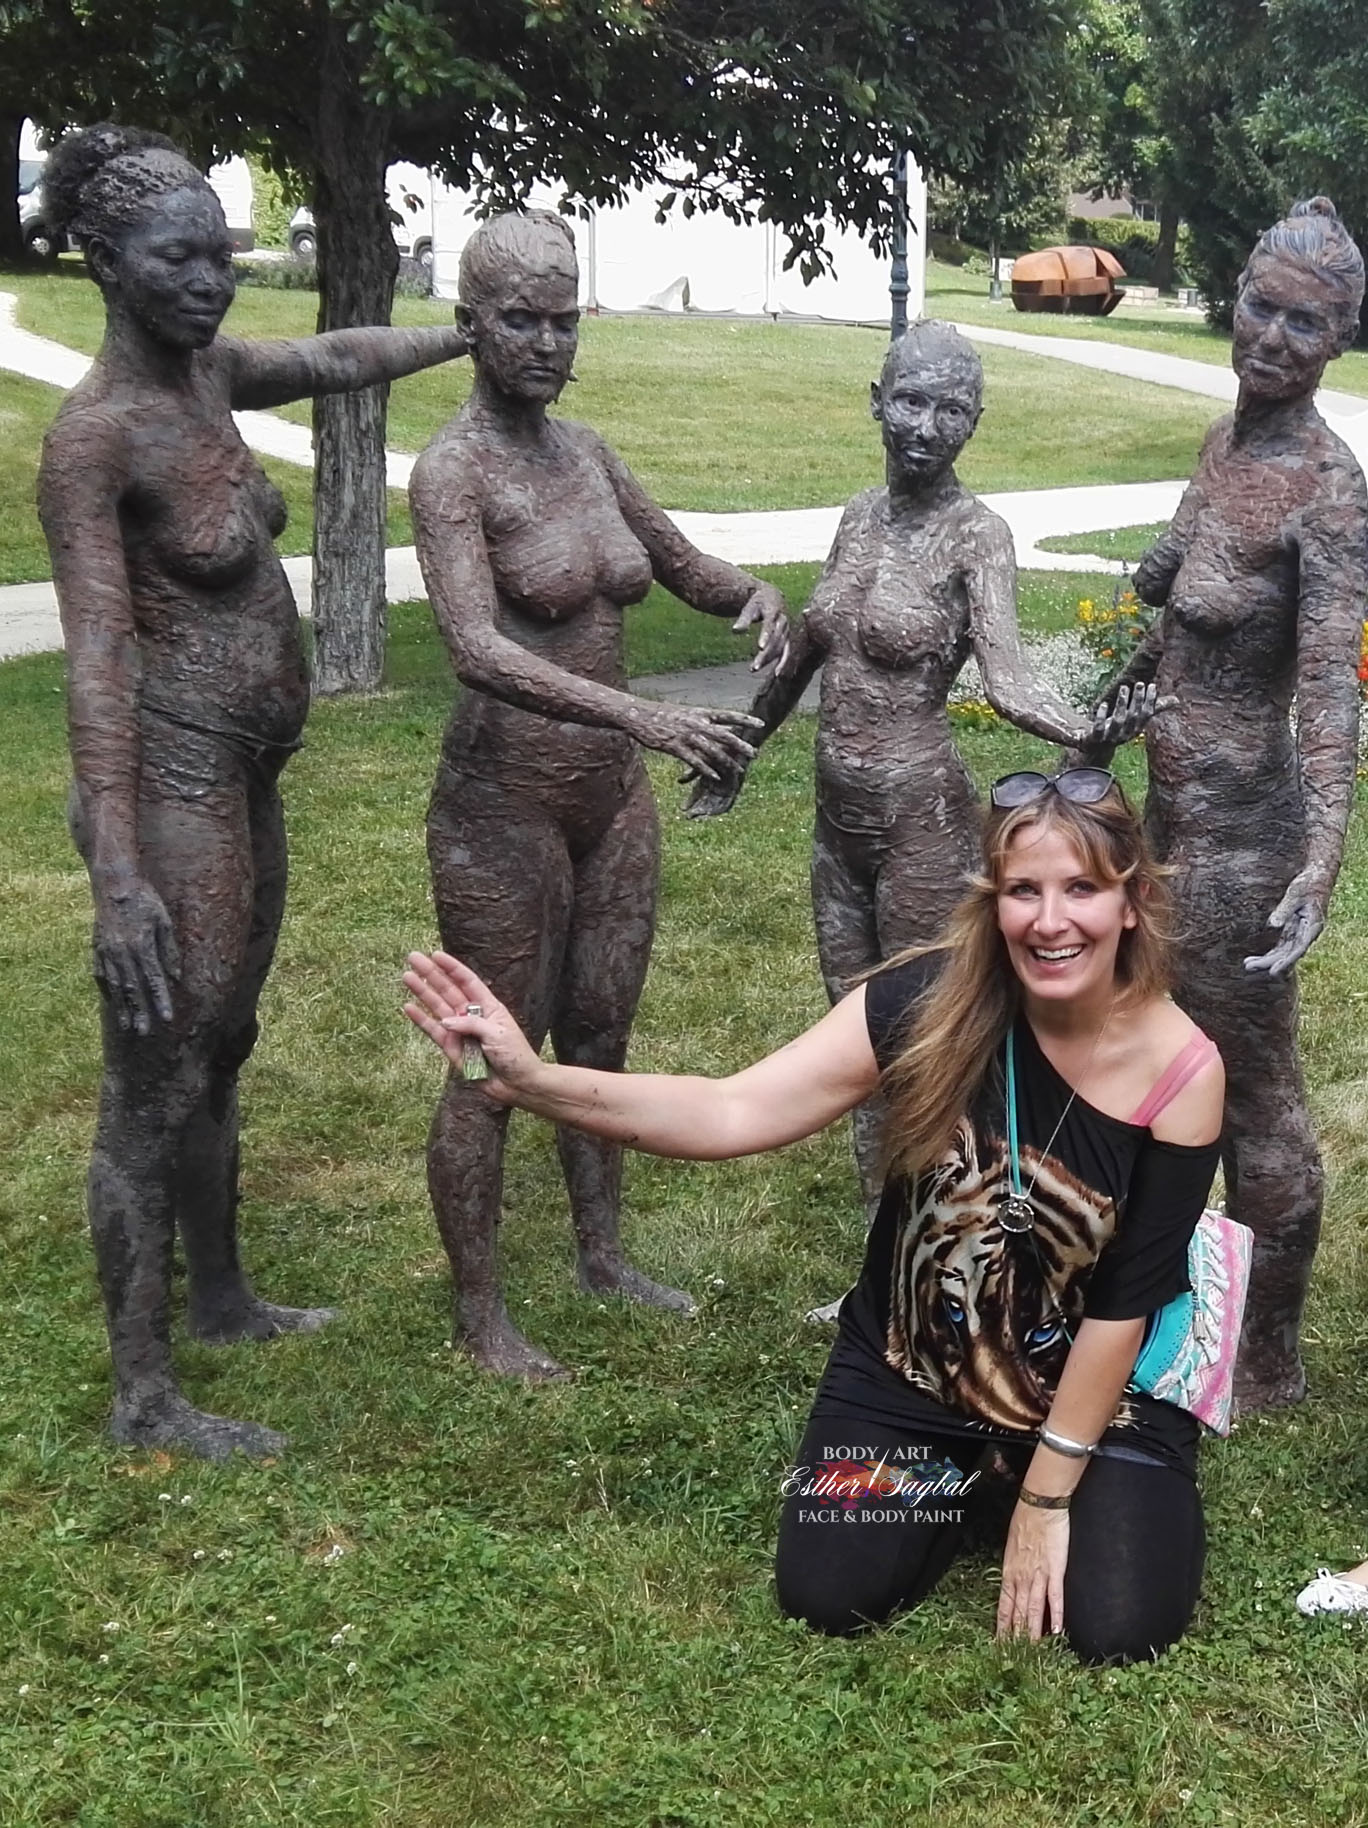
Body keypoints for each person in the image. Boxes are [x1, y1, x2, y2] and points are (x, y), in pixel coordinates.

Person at [405, 770, 1225, 1662]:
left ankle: (1023, 1467)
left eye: (1082, 890)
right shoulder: (923, 1003)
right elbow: (732, 1111)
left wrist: (1048, 1495)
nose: (1050, 921)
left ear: (1132, 904)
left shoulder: (1181, 1070)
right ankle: (973, 1464)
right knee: (829, 1593)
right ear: (994, 902)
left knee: (1118, 1629)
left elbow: (1125, 1302)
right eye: (1023, 890)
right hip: (916, 1366)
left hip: (1096, 1382)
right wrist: (530, 1081)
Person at [37, 124, 473, 1460]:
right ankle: (143, 1393)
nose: (209, 282)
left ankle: (222, 1298)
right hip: (168, 776)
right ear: (106, 263)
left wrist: (462, 334)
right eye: (176, 261)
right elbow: (98, 663)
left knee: (222, 1040)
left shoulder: (211, 378)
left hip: (242, 774)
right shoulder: (97, 441)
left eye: (218, 255)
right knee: (155, 1078)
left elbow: (338, 357)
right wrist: (119, 878)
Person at [407, 209, 792, 1381]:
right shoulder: (452, 471)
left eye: (564, 321)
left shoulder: (588, 453)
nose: (547, 343)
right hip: (503, 804)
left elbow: (676, 563)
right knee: (491, 1056)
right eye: (522, 320)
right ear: (472, 325)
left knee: (602, 1030)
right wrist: (643, 715)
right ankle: (481, 1316)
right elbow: (475, 646)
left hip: (610, 799)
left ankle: (601, 1254)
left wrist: (755, 592)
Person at [687, 321, 1157, 1207]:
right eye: (910, 401)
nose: (927, 427)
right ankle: (884, 1233)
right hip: (837, 826)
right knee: (852, 1031)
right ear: (877, 402)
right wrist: (744, 747)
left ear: (975, 422)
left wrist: (1091, 733)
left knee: (930, 1036)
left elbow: (1008, 681)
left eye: (951, 411)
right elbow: (808, 650)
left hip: (920, 825)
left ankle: (958, 1224)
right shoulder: (858, 516)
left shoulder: (978, 534)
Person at [1088, 197, 1367, 1410]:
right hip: (1165, 828)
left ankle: (1269, 1359)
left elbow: (1331, 683)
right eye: (1260, 307)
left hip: (1243, 843)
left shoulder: (1329, 489)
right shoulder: (1222, 445)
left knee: (1255, 1096)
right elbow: (1178, 613)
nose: (1272, 338)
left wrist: (1323, 854)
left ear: (1338, 341)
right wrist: (1113, 698)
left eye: (1305, 324)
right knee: (1154, 1070)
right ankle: (1173, 1307)